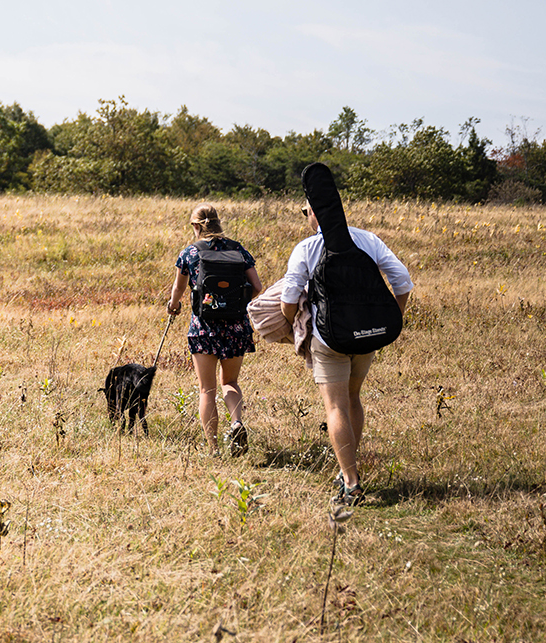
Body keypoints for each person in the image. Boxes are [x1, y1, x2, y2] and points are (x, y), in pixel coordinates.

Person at [281, 202, 411, 505]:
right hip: (368, 336)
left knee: (336, 407)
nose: (307, 218)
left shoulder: (308, 248)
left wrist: (291, 326)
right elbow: (402, 280)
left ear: (315, 213)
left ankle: (350, 481)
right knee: (353, 399)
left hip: (329, 340)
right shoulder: (368, 240)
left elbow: (289, 297)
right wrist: (393, 319)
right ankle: (347, 470)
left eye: (306, 212)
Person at [166, 203, 263, 456]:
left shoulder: (189, 253)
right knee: (230, 381)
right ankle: (237, 422)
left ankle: (213, 448)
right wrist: (237, 304)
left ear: (196, 226)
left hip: (203, 327)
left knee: (207, 389)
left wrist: (173, 305)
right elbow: (257, 285)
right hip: (236, 325)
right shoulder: (238, 249)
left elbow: (178, 288)